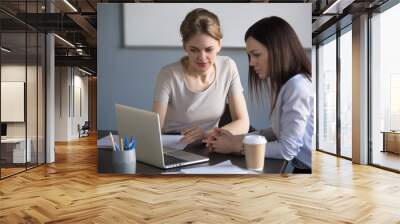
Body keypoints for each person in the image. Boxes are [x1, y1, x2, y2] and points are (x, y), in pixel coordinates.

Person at [204, 16, 314, 173]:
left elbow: (287, 149)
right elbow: (278, 131)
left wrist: (237, 146)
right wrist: (236, 137)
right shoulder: (286, 85)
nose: (251, 63)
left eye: (256, 54)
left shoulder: (297, 86)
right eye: (250, 56)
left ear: (278, 50)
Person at [153, 8, 249, 145]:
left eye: (209, 49)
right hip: (175, 143)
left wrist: (206, 134)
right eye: (194, 50)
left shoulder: (228, 66)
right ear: (185, 47)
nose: (202, 58)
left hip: (211, 142)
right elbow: (154, 129)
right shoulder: (168, 75)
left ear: (219, 45)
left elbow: (243, 122)